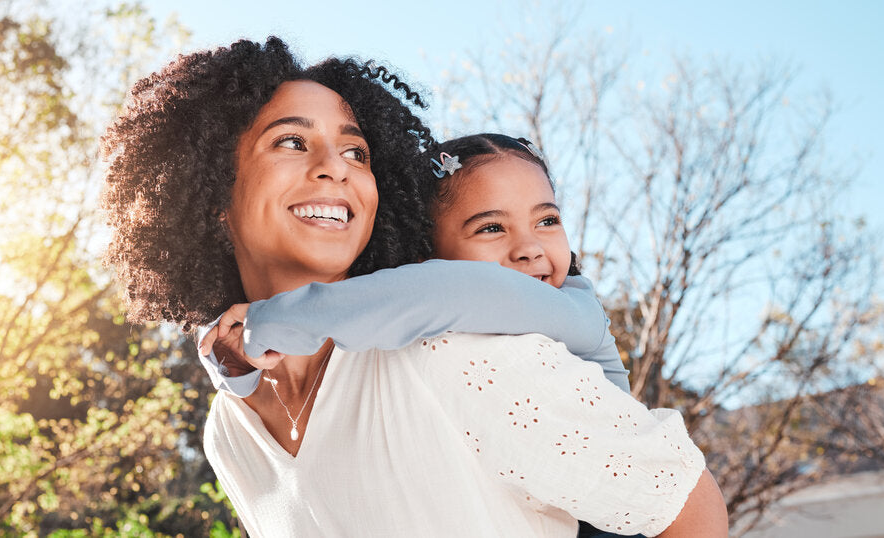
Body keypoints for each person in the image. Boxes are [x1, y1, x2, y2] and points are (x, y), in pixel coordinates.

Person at [100, 37, 728, 537]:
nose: (335, 168)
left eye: (358, 152)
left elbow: (687, 509)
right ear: (209, 190)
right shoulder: (229, 430)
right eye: (292, 141)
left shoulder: (458, 348)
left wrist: (274, 323)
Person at [195, 133, 631, 398]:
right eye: (491, 228)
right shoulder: (420, 326)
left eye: (548, 220)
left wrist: (272, 320)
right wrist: (236, 363)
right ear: (424, 253)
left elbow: (450, 291)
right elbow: (390, 304)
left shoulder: (577, 310)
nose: (530, 247)